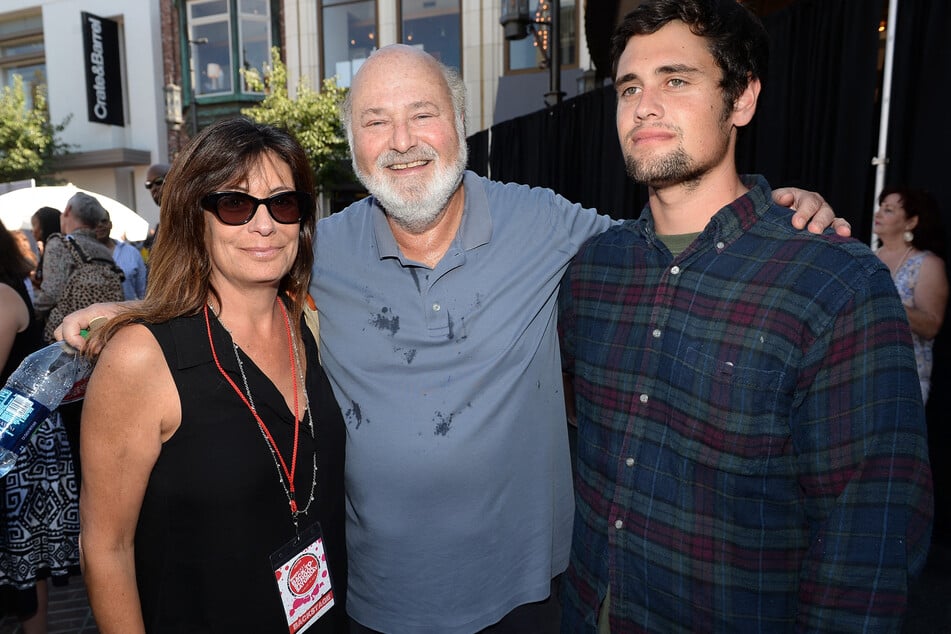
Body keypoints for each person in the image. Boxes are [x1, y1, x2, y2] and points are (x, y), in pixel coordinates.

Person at [59, 46, 847, 633]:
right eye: (375, 120)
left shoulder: (544, 221)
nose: (402, 140)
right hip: (370, 604)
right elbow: (215, 287)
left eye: (421, 113)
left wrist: (773, 208)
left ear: (459, 123)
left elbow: (669, 250)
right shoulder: (312, 248)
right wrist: (124, 319)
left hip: (531, 599)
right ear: (354, 146)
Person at [557, 2, 934, 631]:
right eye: (629, 87)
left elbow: (869, 536)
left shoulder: (835, 282)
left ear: (742, 100)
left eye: (675, 80)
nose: (644, 105)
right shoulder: (595, 269)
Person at [78, 117, 348, 633]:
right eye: (235, 204)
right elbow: (106, 548)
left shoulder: (308, 323)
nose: (263, 225)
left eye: (283, 203)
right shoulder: (142, 358)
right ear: (193, 217)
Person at [0, 220, 80, 634]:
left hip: (18, 443)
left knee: (26, 560)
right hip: (21, 441)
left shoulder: (1, 295)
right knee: (24, 563)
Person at [874, 186, 948, 403]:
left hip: (903, 379)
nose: (878, 213)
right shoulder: (868, 257)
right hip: (861, 372)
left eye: (888, 210)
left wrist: (886, 300)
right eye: (881, 207)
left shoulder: (927, 264)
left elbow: (931, 325)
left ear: (911, 222)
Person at [31, 193, 113, 332]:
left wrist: (31, 311)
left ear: (68, 210)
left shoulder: (59, 243)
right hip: (98, 329)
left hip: (67, 332)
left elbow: (50, 294)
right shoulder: (103, 249)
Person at [96, 210, 148, 300]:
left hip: (129, 312)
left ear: (110, 224)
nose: (100, 225)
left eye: (104, 221)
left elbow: (143, 293)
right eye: (95, 222)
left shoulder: (132, 253)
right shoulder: (81, 255)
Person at [29, 207, 61, 289]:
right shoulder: (54, 245)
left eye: (34, 225)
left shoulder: (54, 247)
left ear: (44, 227)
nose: (32, 230)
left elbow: (51, 290)